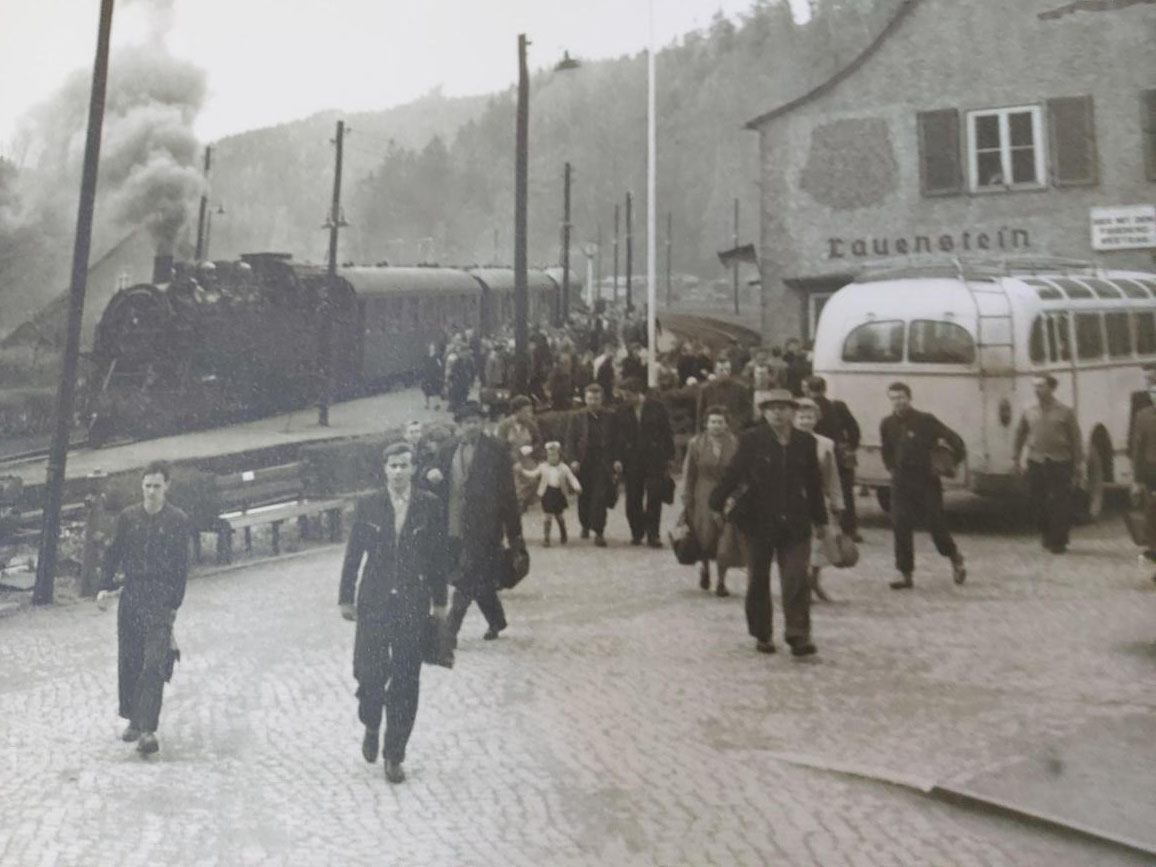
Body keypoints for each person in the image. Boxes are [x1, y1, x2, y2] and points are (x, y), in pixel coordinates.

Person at [339, 442, 447, 784]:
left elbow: (437, 555)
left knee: (405, 678)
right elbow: (354, 553)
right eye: (392, 466)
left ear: (414, 468)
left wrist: (440, 600)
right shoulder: (369, 504)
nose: (398, 472)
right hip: (374, 600)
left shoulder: (428, 506)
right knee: (368, 672)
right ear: (384, 469)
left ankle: (394, 754)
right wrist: (346, 596)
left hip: (411, 603)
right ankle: (371, 721)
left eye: (404, 465)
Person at [710, 390, 827, 657]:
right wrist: (716, 503)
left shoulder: (805, 442)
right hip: (756, 521)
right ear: (763, 412)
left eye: (783, 408)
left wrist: (821, 520)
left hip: (795, 521)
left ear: (792, 411)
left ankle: (798, 635)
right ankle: (762, 633)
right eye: (771, 408)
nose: (777, 413)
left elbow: (813, 484)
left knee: (796, 578)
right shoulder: (752, 440)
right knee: (758, 580)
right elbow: (734, 473)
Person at [96, 460, 192, 757]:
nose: (151, 492)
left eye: (157, 486)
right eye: (147, 486)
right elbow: (114, 553)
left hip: (160, 600)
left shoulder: (177, 520)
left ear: (167, 487)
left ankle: (148, 730)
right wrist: (103, 586)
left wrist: (173, 604)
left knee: (154, 663)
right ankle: (134, 720)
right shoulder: (129, 517)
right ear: (142, 487)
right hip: (132, 598)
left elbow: (181, 567)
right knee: (131, 661)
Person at [427, 401, 524, 641]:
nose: (473, 427)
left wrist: (514, 534)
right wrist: (429, 474)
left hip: (485, 527)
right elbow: (428, 475)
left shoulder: (496, 450)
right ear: (459, 425)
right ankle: (497, 620)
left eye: (477, 422)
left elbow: (508, 494)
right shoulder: (447, 449)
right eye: (468, 423)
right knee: (477, 577)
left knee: (466, 577)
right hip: (452, 524)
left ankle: (450, 631)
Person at [880, 382, 967, 589]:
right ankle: (905, 573)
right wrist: (892, 468)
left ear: (909, 398)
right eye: (893, 398)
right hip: (901, 481)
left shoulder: (925, 420)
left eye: (901, 397)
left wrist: (950, 463)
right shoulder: (887, 423)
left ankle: (954, 557)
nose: (898, 402)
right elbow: (886, 449)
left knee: (935, 522)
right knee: (900, 524)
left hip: (926, 480)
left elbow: (956, 441)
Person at [1012, 375, 1084, 554]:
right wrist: (1016, 457)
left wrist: (1078, 465)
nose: (1037, 390)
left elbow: (1076, 439)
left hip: (1060, 461)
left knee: (1060, 502)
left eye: (1041, 386)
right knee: (1037, 501)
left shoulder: (1065, 412)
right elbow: (1020, 434)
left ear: (1052, 388)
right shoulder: (1029, 411)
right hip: (1036, 460)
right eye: (1035, 387)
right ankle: (1046, 533)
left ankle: (1059, 541)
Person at [682, 405, 743, 596]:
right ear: (706, 424)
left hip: (727, 493)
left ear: (726, 424)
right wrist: (687, 496)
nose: (717, 426)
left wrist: (737, 495)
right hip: (702, 493)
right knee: (705, 534)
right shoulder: (696, 443)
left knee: (725, 538)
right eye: (713, 422)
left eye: (720, 422)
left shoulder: (735, 443)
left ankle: (722, 581)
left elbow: (741, 472)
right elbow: (689, 472)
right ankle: (705, 567)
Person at [614, 378, 675, 548]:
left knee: (654, 496)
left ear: (637, 393)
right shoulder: (621, 411)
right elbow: (617, 437)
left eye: (627, 395)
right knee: (633, 497)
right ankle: (637, 532)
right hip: (631, 458)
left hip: (655, 457)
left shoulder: (657, 407)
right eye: (623, 395)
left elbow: (666, 432)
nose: (624, 399)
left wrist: (670, 457)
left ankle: (653, 534)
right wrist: (617, 458)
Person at [795, 398, 845, 602]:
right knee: (797, 544)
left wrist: (837, 501)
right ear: (793, 419)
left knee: (819, 544)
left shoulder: (825, 444)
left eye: (810, 417)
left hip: (817, 500)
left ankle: (814, 581)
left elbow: (832, 475)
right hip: (793, 500)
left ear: (816, 419)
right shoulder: (786, 441)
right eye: (801, 417)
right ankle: (799, 584)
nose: (805, 421)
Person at [804, 375, 862, 541]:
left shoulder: (806, 409)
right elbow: (854, 429)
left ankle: (818, 526)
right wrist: (850, 445)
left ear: (808, 389)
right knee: (845, 492)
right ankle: (849, 529)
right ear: (825, 389)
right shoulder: (838, 406)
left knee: (816, 491)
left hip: (813, 453)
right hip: (837, 453)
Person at [564, 383, 616, 548]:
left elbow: (616, 440)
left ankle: (599, 531)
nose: (593, 401)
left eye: (597, 398)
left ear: (602, 399)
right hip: (584, 460)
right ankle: (585, 524)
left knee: (600, 496)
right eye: (590, 398)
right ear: (585, 399)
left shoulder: (609, 416)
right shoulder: (577, 416)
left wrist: (616, 459)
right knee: (584, 495)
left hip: (602, 460)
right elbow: (570, 440)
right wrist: (572, 459)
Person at [520, 441, 582, 546]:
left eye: (554, 455)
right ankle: (546, 538)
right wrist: (522, 471)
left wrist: (577, 487)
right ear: (547, 456)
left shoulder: (564, 468)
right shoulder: (543, 466)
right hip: (547, 493)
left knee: (559, 516)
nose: (552, 458)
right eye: (550, 455)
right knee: (547, 516)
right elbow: (533, 474)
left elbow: (572, 478)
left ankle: (563, 532)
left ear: (559, 455)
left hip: (558, 493)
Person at [496, 396, 544, 512]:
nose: (529, 414)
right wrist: (513, 460)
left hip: (526, 457)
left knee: (532, 479)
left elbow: (539, 441)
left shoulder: (530, 424)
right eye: (525, 412)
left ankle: (523, 500)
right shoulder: (505, 425)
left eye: (530, 411)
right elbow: (500, 445)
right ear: (516, 412)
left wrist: (531, 448)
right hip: (510, 458)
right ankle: (517, 503)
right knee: (514, 481)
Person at [1130, 393, 1156, 573]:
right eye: (1153, 391)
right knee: (1153, 516)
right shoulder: (1143, 416)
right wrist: (1136, 480)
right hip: (1152, 473)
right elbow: (1137, 449)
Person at [696, 356, 753, 434]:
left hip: (734, 430)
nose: (725, 372)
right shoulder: (706, 389)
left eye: (727, 369)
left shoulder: (741, 388)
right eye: (721, 370)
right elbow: (700, 413)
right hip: (712, 430)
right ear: (715, 370)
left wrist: (738, 423)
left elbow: (747, 410)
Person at [421, 343, 444, 410]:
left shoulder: (437, 356)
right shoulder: (426, 356)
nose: (431, 348)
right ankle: (427, 404)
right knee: (426, 391)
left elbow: (440, 365)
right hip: (427, 375)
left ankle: (436, 404)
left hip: (434, 375)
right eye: (430, 347)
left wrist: (439, 374)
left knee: (436, 391)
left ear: (434, 348)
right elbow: (424, 365)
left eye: (433, 347)